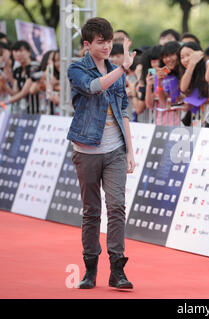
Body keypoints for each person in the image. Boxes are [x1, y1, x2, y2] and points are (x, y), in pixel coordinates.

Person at [67, 17, 136, 290]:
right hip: (86, 149)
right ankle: (90, 269)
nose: (106, 46)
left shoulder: (114, 70)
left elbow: (124, 111)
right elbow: (94, 87)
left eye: (109, 41)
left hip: (115, 149)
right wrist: (122, 69)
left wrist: (130, 150)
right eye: (100, 42)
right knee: (91, 211)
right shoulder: (76, 68)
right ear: (87, 44)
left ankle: (117, 269)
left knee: (117, 206)